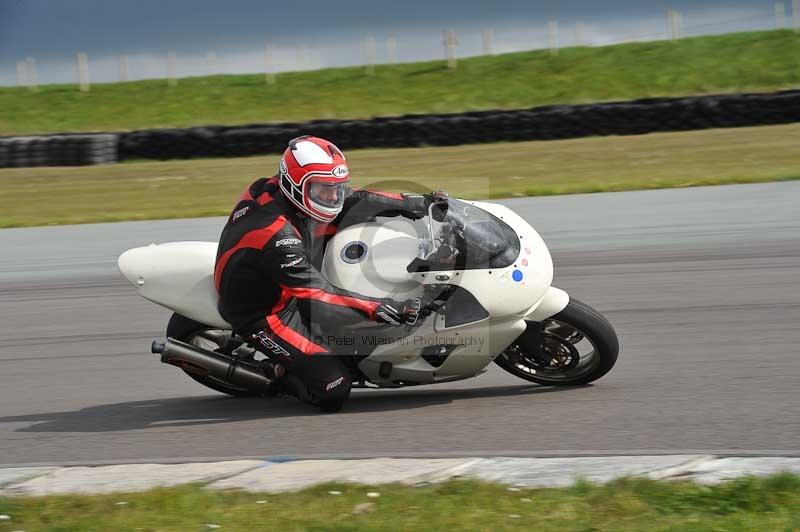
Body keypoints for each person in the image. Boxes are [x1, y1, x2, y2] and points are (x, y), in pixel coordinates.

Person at [214, 135, 445, 411]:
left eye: (336, 187)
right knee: (334, 387)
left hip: (281, 272)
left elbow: (357, 198)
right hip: (266, 313)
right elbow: (316, 292)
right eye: (324, 190)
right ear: (294, 184)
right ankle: (276, 375)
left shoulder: (289, 194)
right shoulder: (276, 235)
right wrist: (381, 308)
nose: (333, 196)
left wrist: (416, 203)